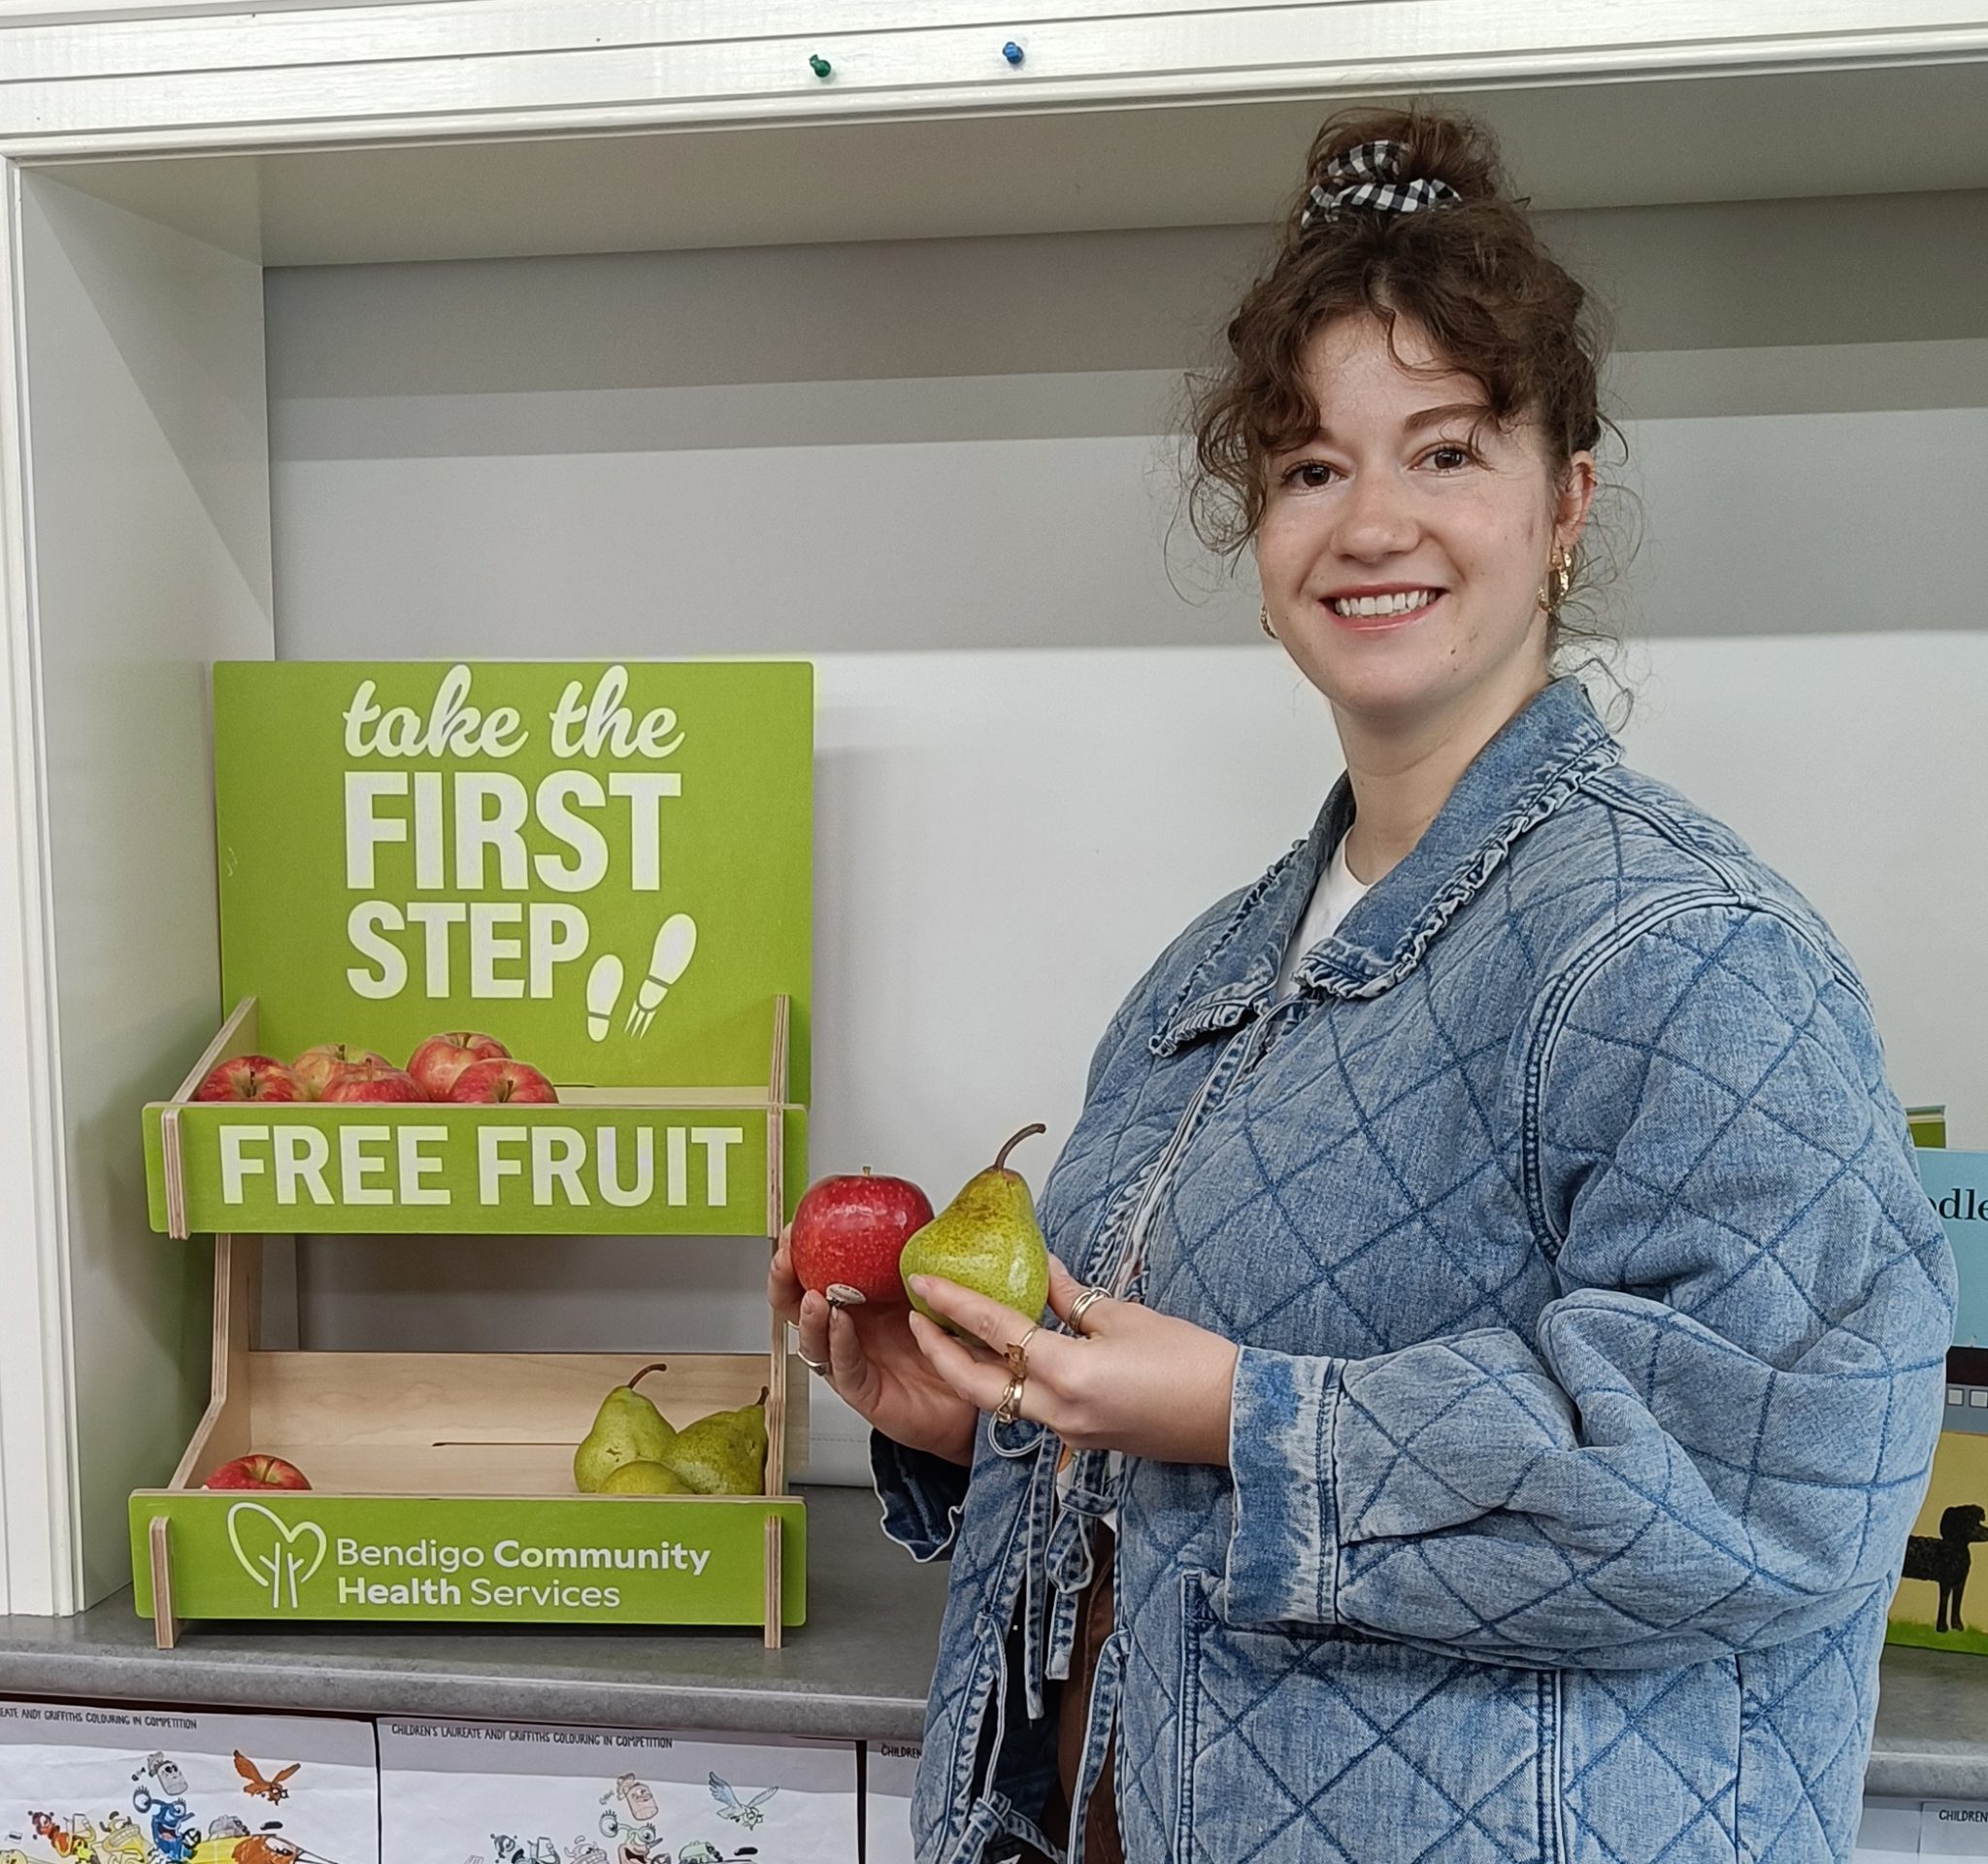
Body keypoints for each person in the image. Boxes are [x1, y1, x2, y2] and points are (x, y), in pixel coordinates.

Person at [774, 104, 1953, 1864]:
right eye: (1313, 466)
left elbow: (1786, 1479)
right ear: (1258, 534)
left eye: (1448, 451)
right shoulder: (1211, 973)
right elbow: (1168, 1473)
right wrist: (987, 1419)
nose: (1371, 521)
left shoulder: (1687, 948)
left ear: (1567, 501)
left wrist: (1249, 1412)